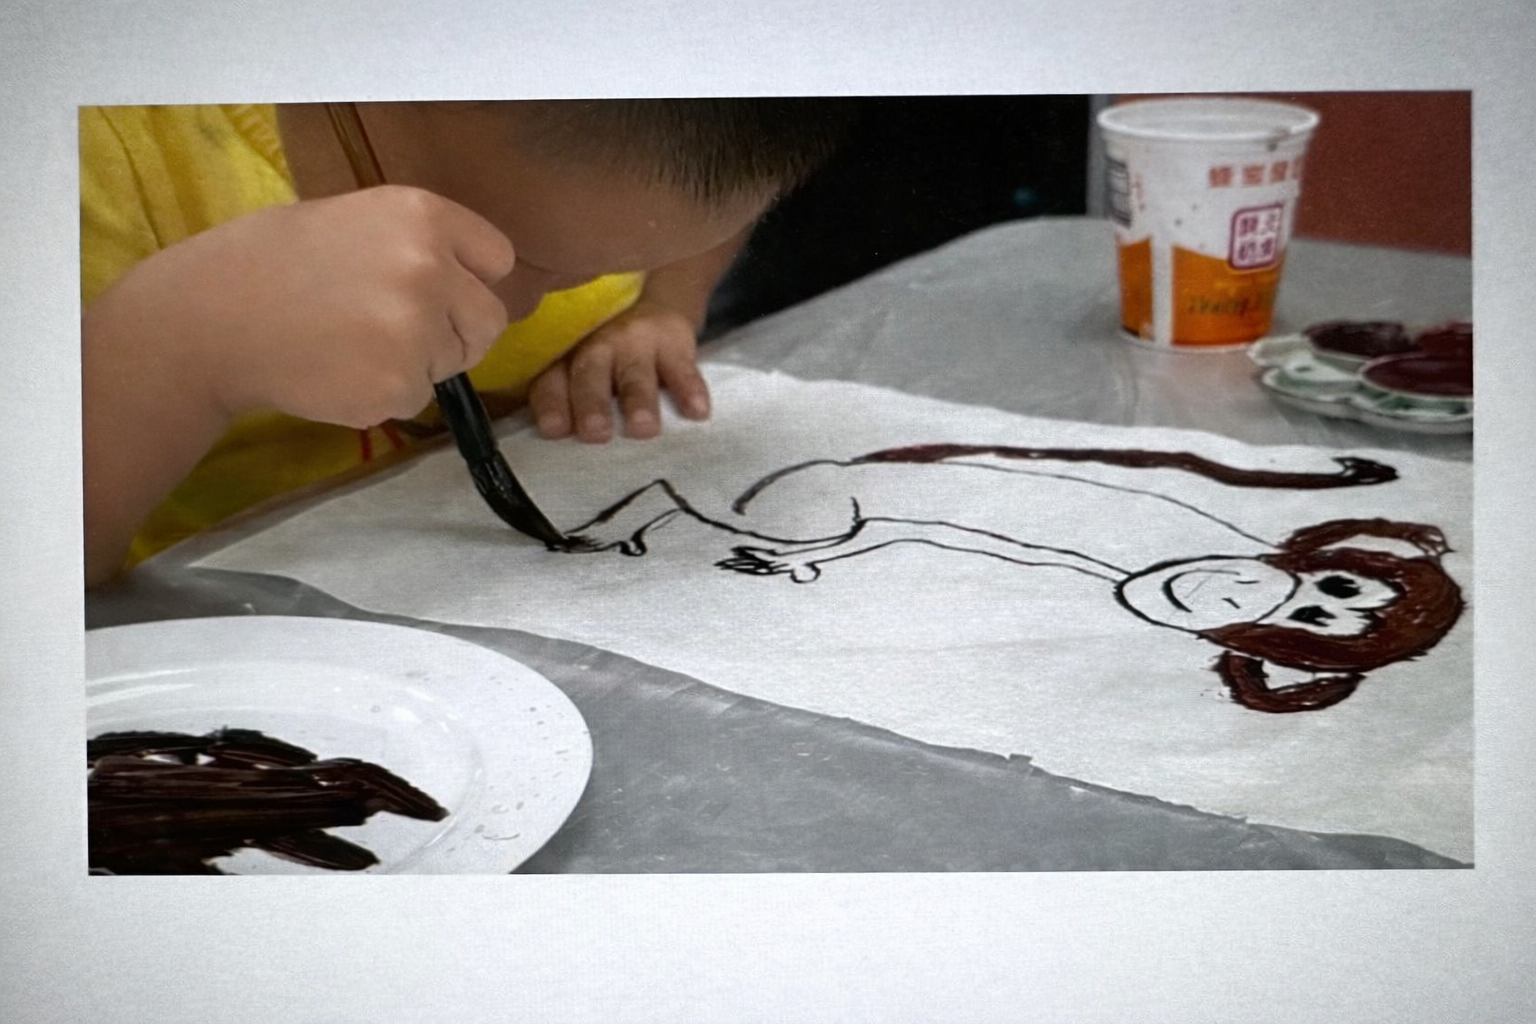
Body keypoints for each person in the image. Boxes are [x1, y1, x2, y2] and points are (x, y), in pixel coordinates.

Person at [81, 99, 853, 586]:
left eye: (605, 267)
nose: (500, 319)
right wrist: (177, 349)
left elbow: (703, 201)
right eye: (518, 256)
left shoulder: (631, 148)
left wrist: (664, 303)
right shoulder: (95, 156)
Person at [562, 444, 1465, 713]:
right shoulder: (1170, 547)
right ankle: (654, 504)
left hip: (860, 511)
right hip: (840, 494)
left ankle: (661, 512)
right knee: (761, 519)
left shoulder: (1162, 585)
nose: (1262, 594)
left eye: (1310, 619)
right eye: (1327, 584)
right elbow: (966, 525)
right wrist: (827, 549)